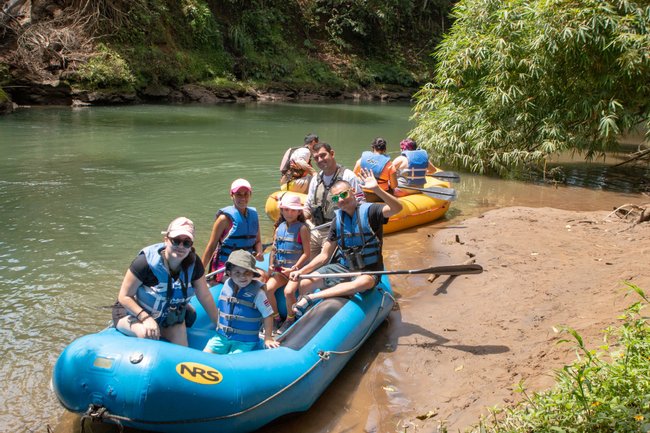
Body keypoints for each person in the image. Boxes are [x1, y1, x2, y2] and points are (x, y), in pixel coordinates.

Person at [276, 169, 402, 334]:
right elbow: (324, 255)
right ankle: (306, 320)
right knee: (305, 283)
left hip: (368, 270)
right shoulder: (337, 221)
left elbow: (397, 208)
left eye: (343, 195)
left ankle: (312, 298)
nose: (340, 200)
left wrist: (377, 189)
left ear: (353, 192)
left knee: (363, 283)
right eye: (335, 198)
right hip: (343, 268)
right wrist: (301, 271)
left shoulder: (371, 212)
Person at [112, 217, 219, 346]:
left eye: (186, 243)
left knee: (181, 344)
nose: (180, 246)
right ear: (166, 240)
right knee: (146, 333)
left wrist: (219, 324)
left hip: (168, 317)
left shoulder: (194, 264)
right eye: (176, 241)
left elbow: (205, 296)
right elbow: (124, 296)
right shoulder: (144, 263)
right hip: (133, 313)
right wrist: (145, 318)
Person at [203, 250, 281, 354]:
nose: (242, 277)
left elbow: (268, 315)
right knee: (205, 355)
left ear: (253, 274)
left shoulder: (258, 293)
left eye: (247, 273)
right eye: (237, 273)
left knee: (232, 362)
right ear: (229, 273)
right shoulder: (227, 285)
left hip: (245, 341)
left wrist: (268, 338)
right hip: (221, 337)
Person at [304, 142, 365, 260]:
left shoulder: (348, 176)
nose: (320, 160)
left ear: (332, 154)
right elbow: (307, 206)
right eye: (316, 158)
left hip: (338, 231)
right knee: (307, 263)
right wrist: (302, 220)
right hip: (316, 229)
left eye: (323, 155)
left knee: (325, 262)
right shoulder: (315, 180)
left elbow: (361, 203)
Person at [202, 178, 264, 284]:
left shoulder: (253, 216)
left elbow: (257, 241)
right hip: (226, 267)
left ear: (250, 195)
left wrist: (259, 252)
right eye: (238, 194)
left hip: (245, 264)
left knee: (264, 277)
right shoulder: (223, 219)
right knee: (254, 281)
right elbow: (211, 247)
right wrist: (199, 273)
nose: (243, 198)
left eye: (246, 194)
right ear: (232, 195)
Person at [266, 194, 310, 332]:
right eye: (286, 210)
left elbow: (307, 253)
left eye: (293, 210)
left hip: (295, 271)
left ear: (298, 212)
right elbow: (274, 248)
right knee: (267, 289)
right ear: (281, 210)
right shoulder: (279, 227)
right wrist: (271, 265)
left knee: (288, 292)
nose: (289, 213)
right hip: (280, 271)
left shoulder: (302, 228)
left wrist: (295, 268)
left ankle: (290, 319)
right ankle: (276, 317)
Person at [353, 137, 398, 202]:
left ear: (373, 148)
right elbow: (394, 186)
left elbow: (353, 177)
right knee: (391, 188)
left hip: (363, 194)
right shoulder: (390, 166)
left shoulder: (360, 161)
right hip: (380, 196)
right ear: (385, 149)